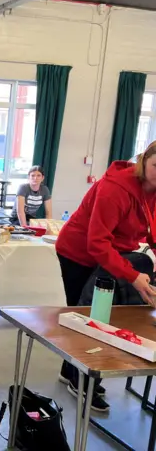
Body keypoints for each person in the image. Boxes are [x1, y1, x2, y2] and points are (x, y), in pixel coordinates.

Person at [55, 144, 156, 413]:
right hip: (79, 253)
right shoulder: (116, 188)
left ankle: (70, 370)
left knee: (92, 317)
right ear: (143, 161)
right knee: (85, 317)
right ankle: (80, 381)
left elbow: (153, 233)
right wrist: (133, 276)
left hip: (110, 253)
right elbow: (97, 244)